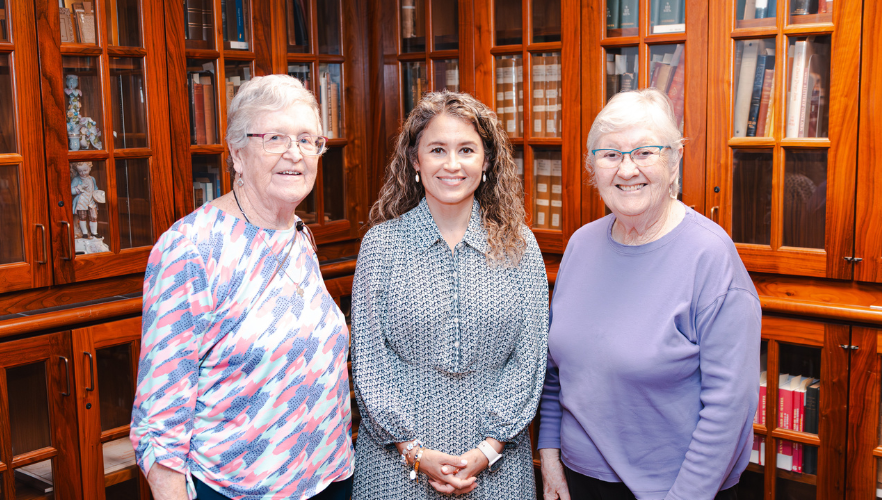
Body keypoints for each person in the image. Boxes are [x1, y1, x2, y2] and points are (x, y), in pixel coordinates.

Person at [130, 74, 354, 500]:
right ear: (237, 153)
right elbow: (160, 420)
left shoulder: (298, 232)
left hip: (330, 478)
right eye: (275, 138)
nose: (295, 153)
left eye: (307, 140)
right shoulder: (191, 248)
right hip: (235, 489)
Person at [537, 88, 761, 500]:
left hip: (676, 489)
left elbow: (730, 408)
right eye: (610, 154)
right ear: (593, 167)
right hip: (578, 479)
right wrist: (549, 456)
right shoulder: (581, 245)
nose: (627, 170)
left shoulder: (710, 256)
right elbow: (555, 371)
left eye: (644, 152)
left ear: (674, 161)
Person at [350, 90, 548, 499]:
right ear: (415, 160)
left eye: (467, 150)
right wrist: (414, 452)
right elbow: (370, 362)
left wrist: (487, 449)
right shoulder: (381, 246)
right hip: (395, 467)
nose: (452, 164)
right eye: (437, 149)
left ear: (487, 161)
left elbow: (529, 358)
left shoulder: (520, 246)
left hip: (497, 466)